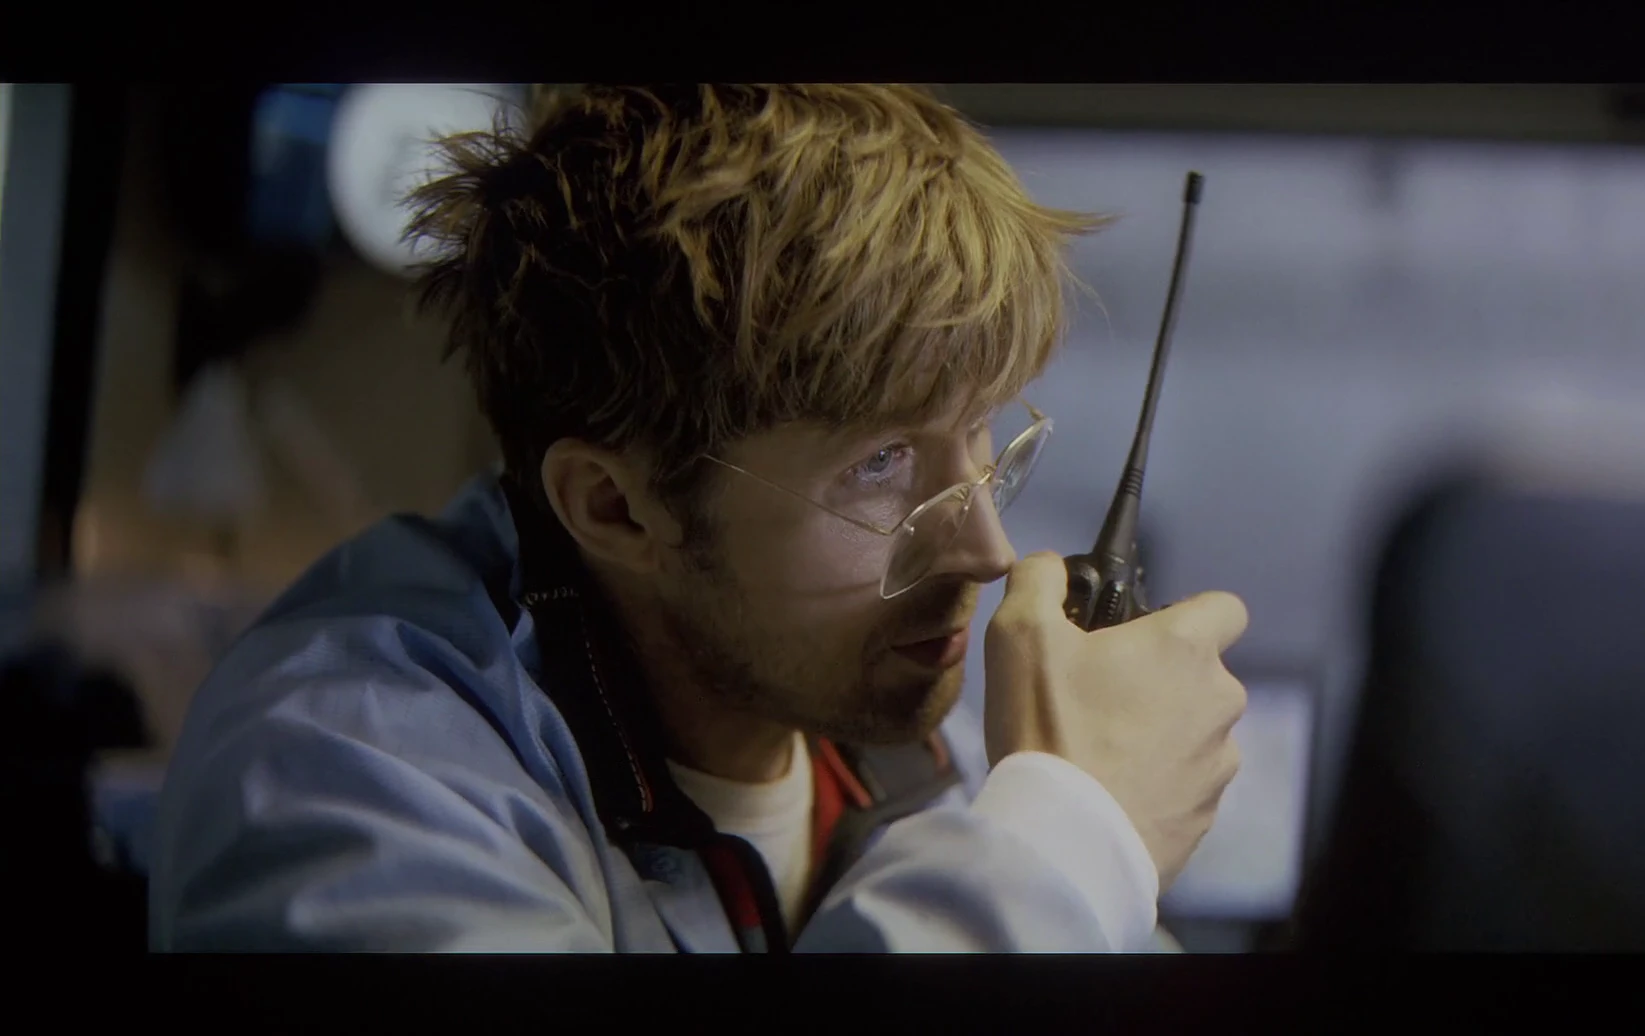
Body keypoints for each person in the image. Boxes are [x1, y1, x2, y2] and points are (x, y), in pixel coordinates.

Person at [148, 84, 1250, 952]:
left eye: (982, 436)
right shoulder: (338, 771)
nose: (986, 551)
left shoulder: (922, 734)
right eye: (880, 464)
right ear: (616, 508)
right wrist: (1068, 843)